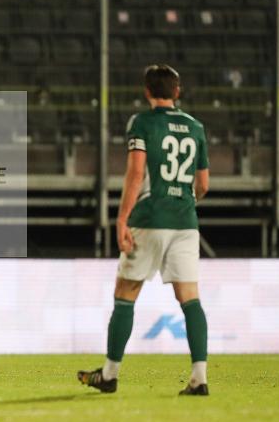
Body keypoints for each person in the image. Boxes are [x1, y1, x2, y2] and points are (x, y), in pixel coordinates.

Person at [78, 65, 210, 396]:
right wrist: (182, 200)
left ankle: (109, 375)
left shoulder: (142, 123)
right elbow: (204, 184)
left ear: (147, 92)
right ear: (177, 92)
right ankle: (200, 378)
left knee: (126, 293)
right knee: (190, 299)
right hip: (185, 222)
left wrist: (121, 219)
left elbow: (136, 173)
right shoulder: (196, 127)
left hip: (150, 218)